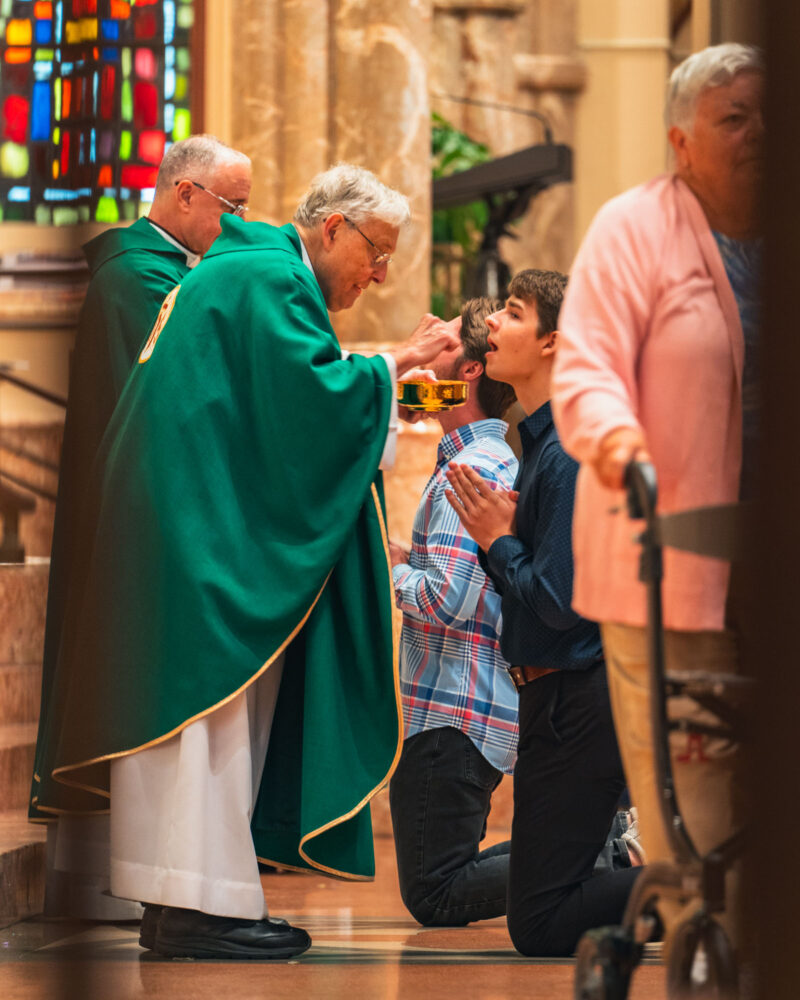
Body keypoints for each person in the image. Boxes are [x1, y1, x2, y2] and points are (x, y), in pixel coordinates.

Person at [30, 163, 459, 960]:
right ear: (333, 228)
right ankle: (200, 907)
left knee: (200, 716)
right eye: (377, 251)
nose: (381, 272)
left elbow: (283, 405)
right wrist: (395, 363)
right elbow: (312, 404)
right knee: (208, 712)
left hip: (195, 526)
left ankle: (178, 900)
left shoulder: (251, 270)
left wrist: (375, 382)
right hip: (203, 537)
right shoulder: (269, 278)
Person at [550, 43, 763, 946]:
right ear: (681, 141)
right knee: (697, 774)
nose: (759, 133)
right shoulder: (634, 229)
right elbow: (588, 364)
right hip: (666, 547)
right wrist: (616, 439)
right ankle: (708, 935)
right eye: (734, 118)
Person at [30, 135, 253, 919]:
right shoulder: (136, 279)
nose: (237, 223)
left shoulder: (172, 273)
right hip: (131, 521)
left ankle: (140, 880)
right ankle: (114, 883)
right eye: (233, 206)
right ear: (185, 194)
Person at [445, 270, 640, 956]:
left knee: (540, 921)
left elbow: (559, 603)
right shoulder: (544, 443)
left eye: (514, 312)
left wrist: (500, 544)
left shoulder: (566, 454)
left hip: (575, 695)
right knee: (540, 912)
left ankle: (708, 892)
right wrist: (509, 544)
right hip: (559, 694)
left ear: (555, 340)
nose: (492, 322)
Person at [388, 297, 519, 927]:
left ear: (468, 371)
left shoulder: (470, 468)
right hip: (464, 710)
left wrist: (382, 571)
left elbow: (444, 601)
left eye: (441, 341)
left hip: (453, 715)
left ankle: (600, 856)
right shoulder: (480, 456)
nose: (424, 341)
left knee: (436, 892)